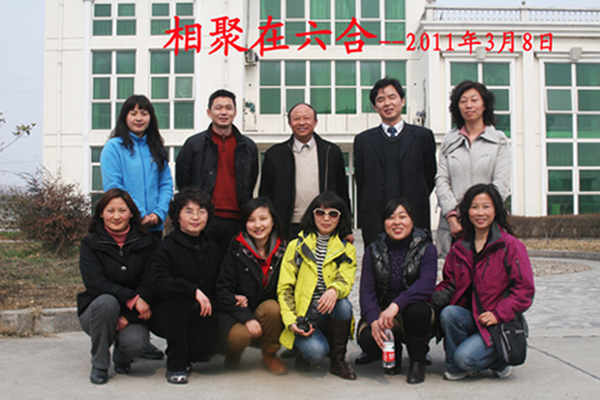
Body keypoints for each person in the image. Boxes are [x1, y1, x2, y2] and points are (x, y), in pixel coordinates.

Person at [432, 184, 534, 381]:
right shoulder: (460, 247)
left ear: (496, 210)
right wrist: (429, 300)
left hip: (498, 322)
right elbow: (450, 283)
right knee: (449, 313)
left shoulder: (510, 245)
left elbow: (524, 290)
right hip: (473, 316)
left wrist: (498, 314)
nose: (480, 213)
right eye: (474, 207)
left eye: (486, 207)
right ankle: (458, 366)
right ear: (467, 211)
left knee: (465, 358)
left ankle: (499, 359)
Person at [77, 188, 157, 384]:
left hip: (133, 314)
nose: (116, 216)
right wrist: (132, 299)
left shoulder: (147, 241)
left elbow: (151, 280)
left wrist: (128, 315)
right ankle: (100, 364)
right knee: (107, 302)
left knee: (136, 343)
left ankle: (123, 357)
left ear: (131, 213)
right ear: (101, 213)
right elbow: (95, 283)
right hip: (99, 311)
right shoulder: (90, 243)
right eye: (110, 211)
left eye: (122, 210)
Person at [277, 191, 357, 380]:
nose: (326, 218)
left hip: (330, 313)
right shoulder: (296, 246)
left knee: (344, 305)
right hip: (303, 316)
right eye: (320, 213)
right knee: (316, 353)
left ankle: (338, 361)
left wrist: (334, 289)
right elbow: (284, 288)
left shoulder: (347, 249)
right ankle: (303, 348)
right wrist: (292, 321)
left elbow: (346, 279)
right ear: (312, 215)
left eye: (333, 214)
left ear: (340, 218)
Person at [357, 198, 437, 384]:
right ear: (384, 222)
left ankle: (417, 361)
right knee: (368, 339)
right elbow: (366, 292)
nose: (397, 222)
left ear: (412, 220)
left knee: (417, 311)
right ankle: (394, 352)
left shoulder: (426, 248)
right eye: (391, 218)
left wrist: (396, 305)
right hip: (384, 314)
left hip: (412, 311)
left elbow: (426, 286)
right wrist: (374, 320)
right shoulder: (373, 250)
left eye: (402, 217)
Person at [149, 188, 223, 384]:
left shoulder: (213, 247)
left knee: (207, 350)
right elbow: (159, 282)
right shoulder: (166, 246)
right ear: (178, 216)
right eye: (189, 211)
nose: (196, 217)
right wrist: (192, 291)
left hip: (203, 310)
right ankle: (176, 364)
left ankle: (193, 353)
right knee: (178, 304)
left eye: (201, 211)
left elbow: (221, 281)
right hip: (168, 311)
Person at [354, 77, 437, 247]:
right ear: (375, 107)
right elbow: (362, 182)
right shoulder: (363, 141)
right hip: (376, 225)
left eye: (392, 97)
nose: (387, 103)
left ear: (402, 101)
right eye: (380, 99)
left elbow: (429, 177)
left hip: (415, 220)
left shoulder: (423, 137)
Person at [175, 89, 259, 251]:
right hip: (203, 220)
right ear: (209, 112)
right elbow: (183, 182)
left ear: (235, 112)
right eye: (218, 108)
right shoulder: (194, 144)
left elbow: (251, 180)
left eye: (228, 108)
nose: (223, 112)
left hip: (238, 220)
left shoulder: (248, 147)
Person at [435, 80, 511, 258]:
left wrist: (482, 212)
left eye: (474, 100)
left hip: (488, 221)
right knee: (455, 271)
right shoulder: (449, 142)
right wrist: (452, 217)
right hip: (454, 225)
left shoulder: (498, 141)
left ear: (484, 104)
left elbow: (501, 182)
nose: (469, 105)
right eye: (463, 101)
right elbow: (441, 180)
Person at [216, 197, 287, 375]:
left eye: (263, 219)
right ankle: (233, 354)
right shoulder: (236, 248)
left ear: (273, 221)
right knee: (239, 337)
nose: (258, 225)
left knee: (273, 308)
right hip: (239, 312)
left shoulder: (284, 249)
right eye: (251, 220)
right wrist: (246, 317)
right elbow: (222, 289)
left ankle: (269, 354)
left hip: (265, 311)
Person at [259, 103, 351, 241]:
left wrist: (347, 229)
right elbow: (265, 195)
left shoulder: (331, 152)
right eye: (296, 119)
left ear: (315, 122)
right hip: (287, 227)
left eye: (306, 118)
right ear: (289, 123)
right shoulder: (275, 154)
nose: (302, 122)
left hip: (324, 224)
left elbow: (342, 192)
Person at [101, 94, 173, 238]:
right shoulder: (113, 147)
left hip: (154, 226)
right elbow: (114, 186)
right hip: (127, 226)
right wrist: (139, 213)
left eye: (144, 114)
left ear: (151, 118)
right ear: (125, 117)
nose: (139, 118)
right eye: (133, 114)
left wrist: (158, 213)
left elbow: (166, 184)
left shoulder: (156, 147)